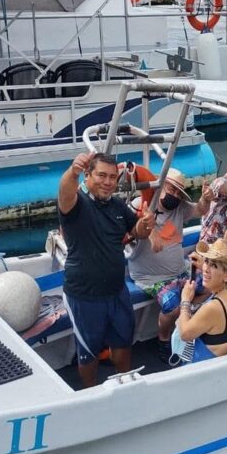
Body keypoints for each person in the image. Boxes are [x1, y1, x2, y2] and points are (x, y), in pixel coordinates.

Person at [58, 151, 155, 388]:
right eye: (101, 175)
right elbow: (64, 193)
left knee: (123, 342)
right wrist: (72, 172)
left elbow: (137, 233)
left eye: (112, 177)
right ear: (88, 176)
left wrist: (145, 226)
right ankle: (90, 393)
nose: (108, 181)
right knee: (88, 353)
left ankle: (126, 385)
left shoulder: (118, 206)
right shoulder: (77, 203)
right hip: (84, 296)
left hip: (117, 292)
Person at [127, 168, 205, 364]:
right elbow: (130, 230)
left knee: (210, 286)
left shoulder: (180, 207)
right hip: (150, 279)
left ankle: (192, 329)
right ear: (161, 186)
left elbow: (201, 210)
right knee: (172, 305)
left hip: (181, 270)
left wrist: (206, 198)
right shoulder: (140, 205)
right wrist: (151, 233)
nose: (175, 195)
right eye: (172, 189)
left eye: (179, 192)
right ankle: (163, 339)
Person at [173, 239, 227, 362]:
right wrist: (208, 266)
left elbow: (184, 334)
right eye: (206, 262)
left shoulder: (213, 308)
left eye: (213, 265)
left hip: (202, 373)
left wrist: (185, 300)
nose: (206, 269)